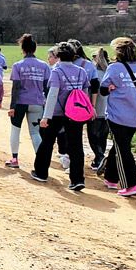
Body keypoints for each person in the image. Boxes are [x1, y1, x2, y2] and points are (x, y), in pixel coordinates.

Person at [100, 37, 136, 197]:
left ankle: (131, 184)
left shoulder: (114, 68)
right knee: (120, 144)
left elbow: (103, 90)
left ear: (118, 53)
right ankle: (110, 177)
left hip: (117, 115)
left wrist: (113, 88)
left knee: (123, 149)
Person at [30, 41, 89, 191]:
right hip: (75, 114)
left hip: (56, 113)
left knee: (47, 143)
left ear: (58, 56)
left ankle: (41, 173)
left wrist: (46, 116)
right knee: (76, 146)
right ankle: (77, 180)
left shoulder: (56, 71)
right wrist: (87, 111)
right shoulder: (81, 71)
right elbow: (84, 94)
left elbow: (52, 95)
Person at [6, 34, 49, 169]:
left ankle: (14, 159)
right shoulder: (44, 66)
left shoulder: (18, 65)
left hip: (20, 103)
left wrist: (12, 106)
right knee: (35, 133)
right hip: (37, 102)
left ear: (22, 49)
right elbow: (47, 87)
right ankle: (40, 161)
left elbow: (16, 88)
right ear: (35, 49)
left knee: (15, 130)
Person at [89, 47, 111, 171]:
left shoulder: (95, 74)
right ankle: (99, 159)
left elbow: (92, 91)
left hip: (96, 109)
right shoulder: (110, 72)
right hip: (108, 111)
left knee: (93, 136)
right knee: (103, 136)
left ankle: (100, 158)